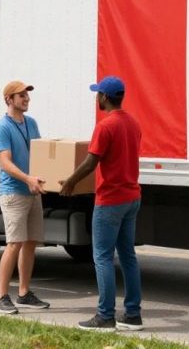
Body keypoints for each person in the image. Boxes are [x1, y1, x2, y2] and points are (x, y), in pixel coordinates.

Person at [60, 76, 144, 332]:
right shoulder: (133, 123)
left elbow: (91, 161)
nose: (96, 97)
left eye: (97, 94)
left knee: (103, 257)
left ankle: (105, 316)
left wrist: (70, 182)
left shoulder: (105, 126)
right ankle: (132, 314)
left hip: (110, 200)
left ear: (105, 97)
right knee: (128, 256)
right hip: (132, 197)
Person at [0, 80, 50, 314]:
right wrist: (27, 179)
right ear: (9, 99)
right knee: (14, 243)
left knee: (30, 243)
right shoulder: (2, 127)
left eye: (27, 95)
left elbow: (39, 153)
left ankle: (24, 293)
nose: (27, 99)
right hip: (13, 193)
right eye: (21, 95)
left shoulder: (31, 123)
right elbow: (4, 162)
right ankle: (1, 296)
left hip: (32, 192)